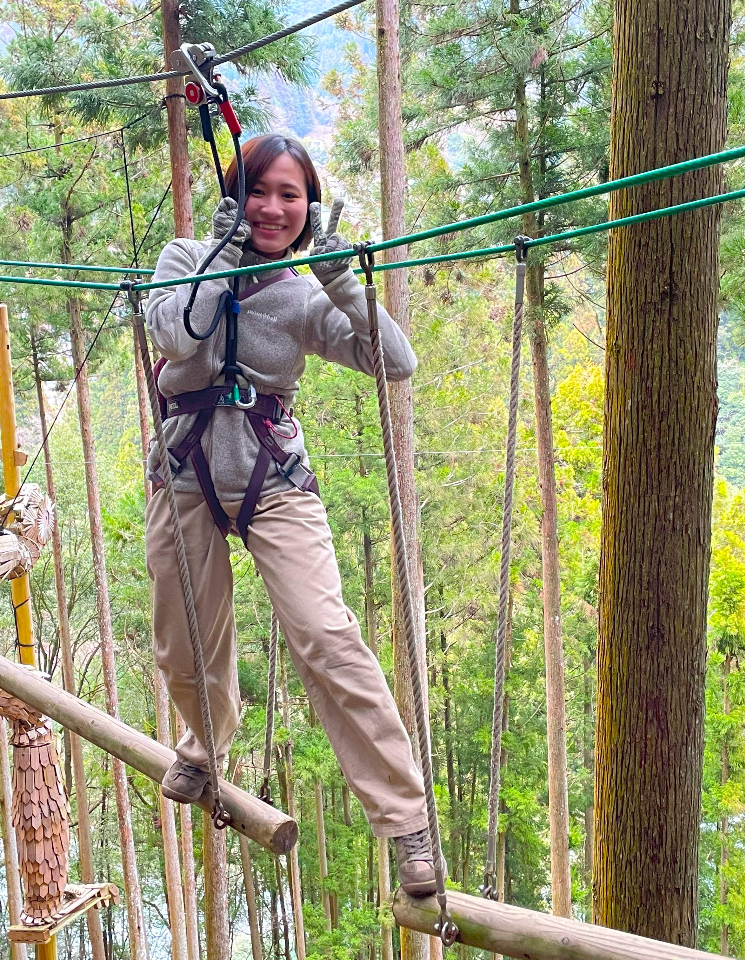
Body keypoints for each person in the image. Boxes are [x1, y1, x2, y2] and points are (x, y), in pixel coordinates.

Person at [144, 133, 439, 896]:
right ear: (234, 197)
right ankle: (205, 749)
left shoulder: (307, 295)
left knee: (327, 636)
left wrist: (344, 287)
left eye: (290, 194)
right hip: (184, 471)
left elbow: (395, 363)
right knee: (183, 645)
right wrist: (218, 258)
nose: (274, 208)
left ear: (309, 207)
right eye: (259, 191)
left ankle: (406, 819)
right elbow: (175, 333)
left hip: (274, 477)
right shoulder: (184, 258)